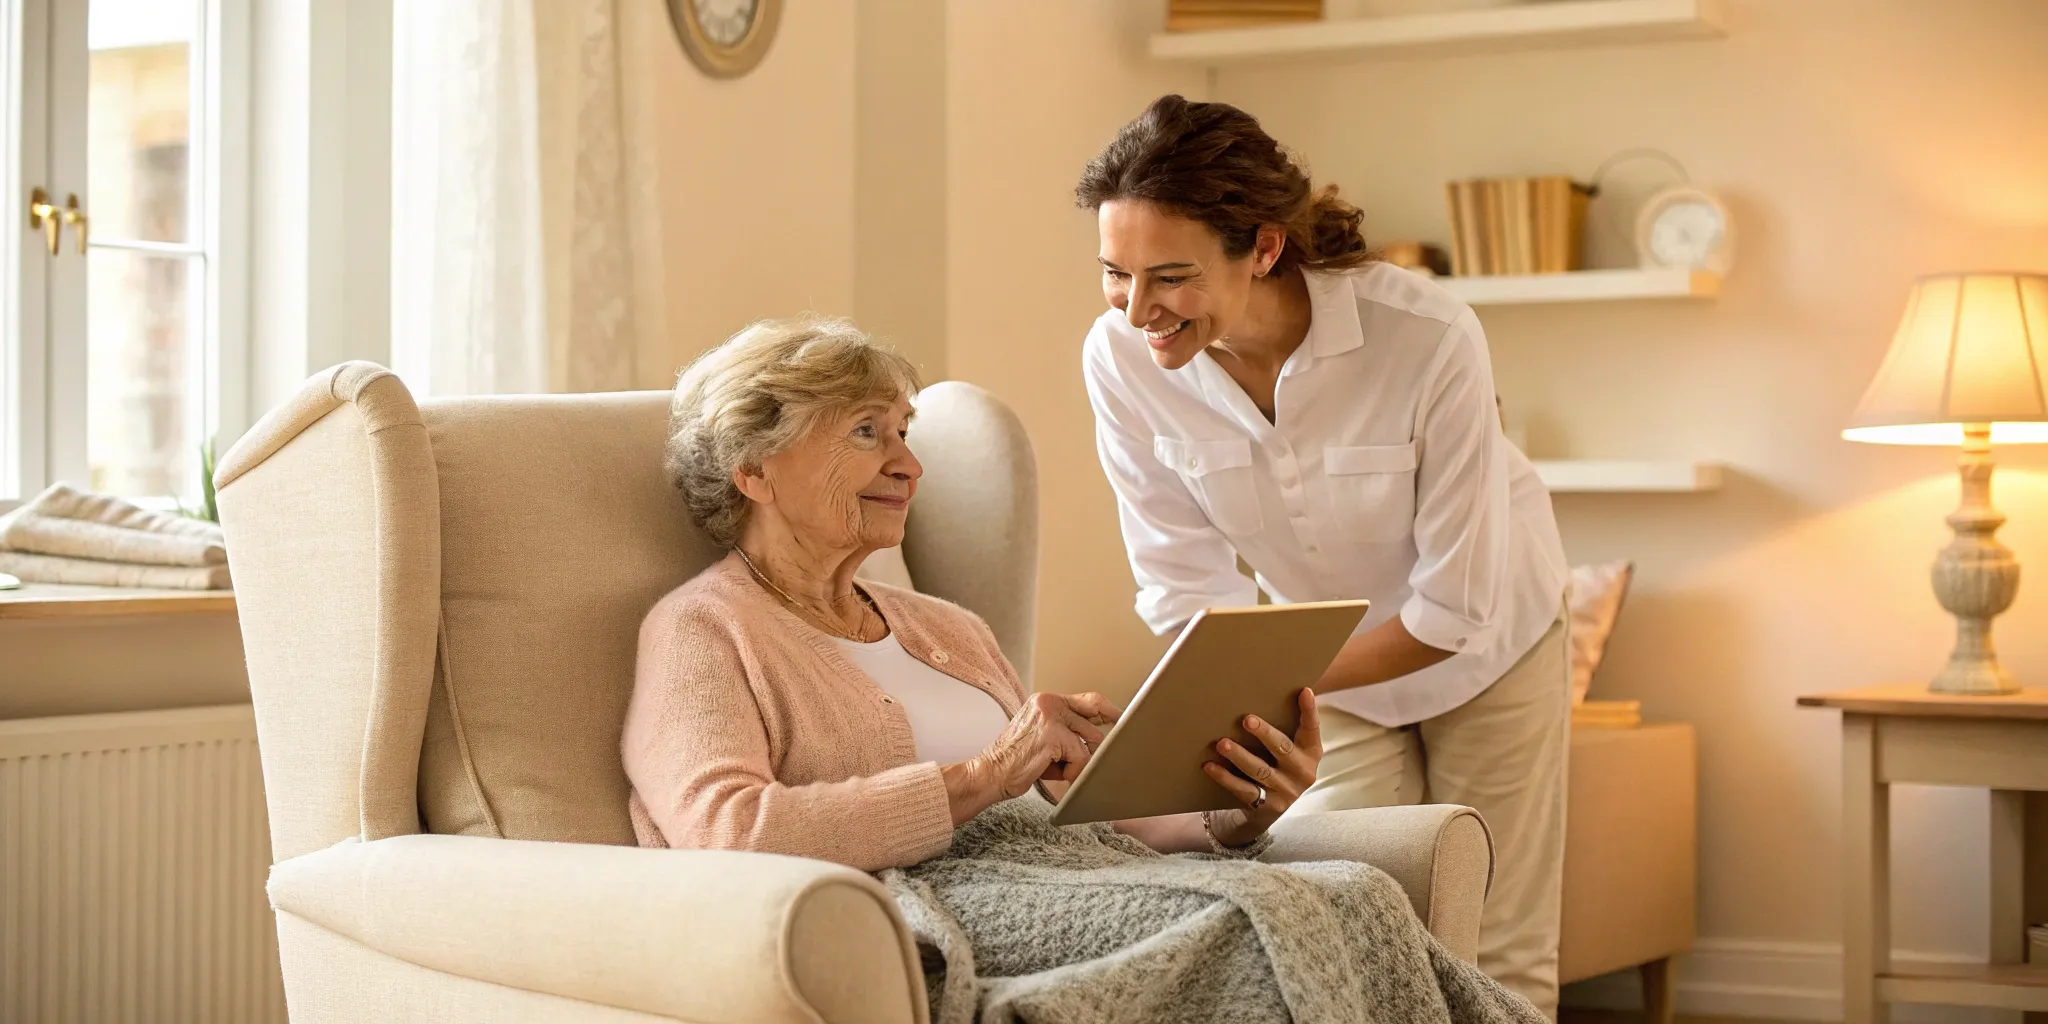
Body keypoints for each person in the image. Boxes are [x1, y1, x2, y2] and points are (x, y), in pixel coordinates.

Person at [1075, 94, 1572, 1016]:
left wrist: (1270, 676)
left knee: (1495, 946)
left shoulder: (1426, 337)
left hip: (1494, 650)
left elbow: (1454, 611)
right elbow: (1183, 586)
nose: (1137, 310)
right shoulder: (1119, 359)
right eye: (1115, 273)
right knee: (1347, 908)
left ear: (1263, 247)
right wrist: (1228, 703)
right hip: (1327, 676)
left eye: (1170, 277)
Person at [620, 314, 1323, 873]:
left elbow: (1080, 821)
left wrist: (1232, 818)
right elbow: (728, 833)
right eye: (868, 432)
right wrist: (987, 773)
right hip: (936, 916)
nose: (909, 465)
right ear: (755, 469)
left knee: (1348, 896)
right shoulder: (702, 631)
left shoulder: (950, 629)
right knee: (1249, 931)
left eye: (903, 432)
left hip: (1066, 878)